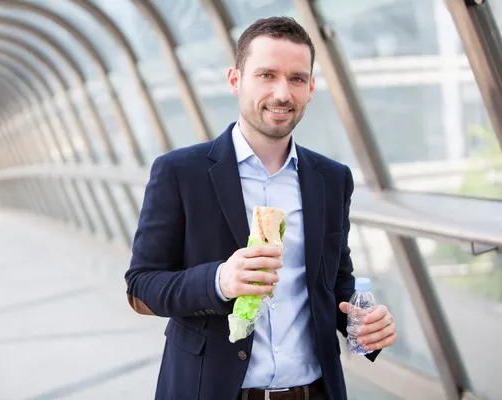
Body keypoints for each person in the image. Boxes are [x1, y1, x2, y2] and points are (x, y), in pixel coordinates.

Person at [125, 16, 397, 400]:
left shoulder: (332, 178)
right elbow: (141, 286)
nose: (282, 93)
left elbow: (334, 282)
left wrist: (366, 325)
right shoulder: (179, 172)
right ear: (236, 80)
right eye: (266, 75)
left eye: (297, 78)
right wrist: (220, 280)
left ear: (312, 87)